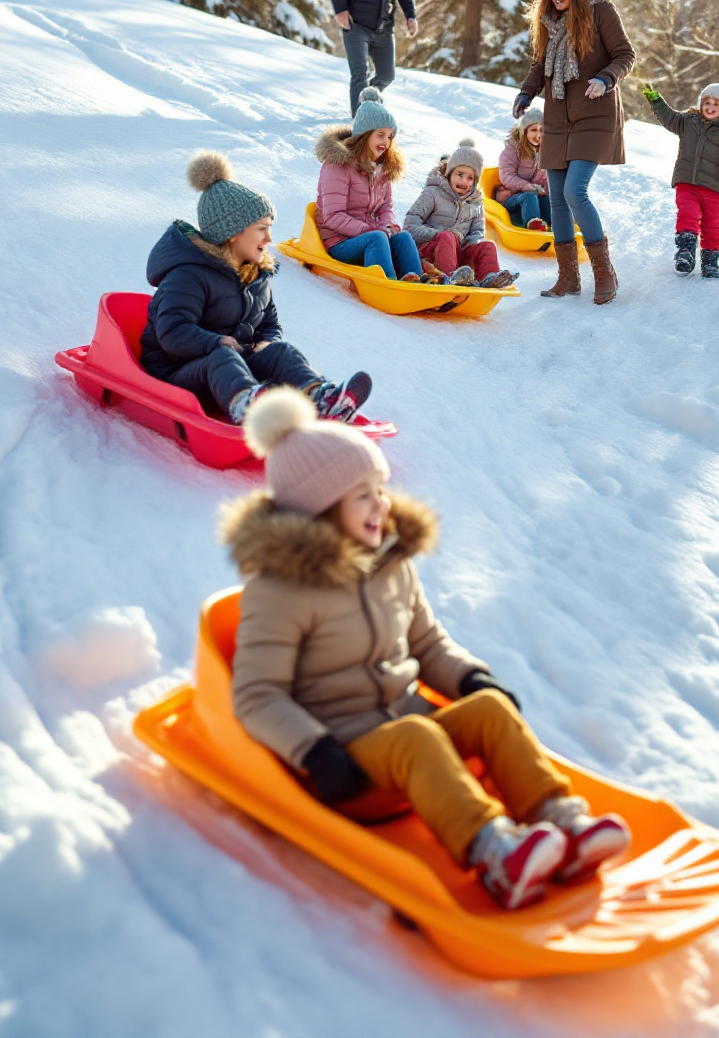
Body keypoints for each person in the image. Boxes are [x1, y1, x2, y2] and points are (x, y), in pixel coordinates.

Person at [226, 387, 632, 910]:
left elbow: (426, 642)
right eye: (363, 495)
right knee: (415, 733)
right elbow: (258, 695)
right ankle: (495, 853)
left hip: (417, 747)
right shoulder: (281, 590)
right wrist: (315, 751)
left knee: (485, 709)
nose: (383, 505)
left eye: (381, 488)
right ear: (320, 511)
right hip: (348, 764)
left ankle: (560, 821)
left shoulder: (392, 564)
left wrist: (469, 678)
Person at [141, 154, 371, 424]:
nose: (270, 238)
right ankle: (251, 408)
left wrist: (267, 342)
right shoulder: (188, 275)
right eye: (262, 229)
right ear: (234, 232)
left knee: (280, 352)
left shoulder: (255, 276)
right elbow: (172, 331)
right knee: (221, 355)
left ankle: (322, 399)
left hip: (234, 365)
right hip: (177, 371)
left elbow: (269, 322)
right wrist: (214, 341)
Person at [514, 0, 635, 304]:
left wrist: (605, 78)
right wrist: (525, 93)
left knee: (574, 191)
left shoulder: (602, 13)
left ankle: (604, 272)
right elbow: (539, 64)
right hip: (557, 118)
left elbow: (625, 55)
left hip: (594, 116)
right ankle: (568, 277)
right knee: (557, 201)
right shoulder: (548, 21)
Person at [314, 86, 424, 283]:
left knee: (403, 238)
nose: (386, 142)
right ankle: (387, 284)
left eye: (390, 136)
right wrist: (369, 230)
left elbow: (386, 207)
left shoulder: (381, 168)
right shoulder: (337, 166)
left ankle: (416, 281)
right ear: (365, 135)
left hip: (372, 238)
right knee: (377, 238)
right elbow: (333, 216)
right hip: (339, 241)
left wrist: (387, 226)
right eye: (380, 134)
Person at [642, 79, 719, 280]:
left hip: (714, 187)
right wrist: (657, 102)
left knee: (712, 224)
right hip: (687, 183)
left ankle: (710, 260)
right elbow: (670, 117)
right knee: (687, 214)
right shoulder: (689, 122)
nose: (710, 107)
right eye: (707, 103)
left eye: (716, 104)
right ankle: (686, 251)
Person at [403, 137, 518, 289]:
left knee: (487, 245)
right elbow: (410, 225)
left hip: (457, 254)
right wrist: (437, 234)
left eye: (470, 178)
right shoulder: (433, 193)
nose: (464, 181)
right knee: (447, 236)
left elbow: (476, 233)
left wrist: (471, 249)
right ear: (450, 173)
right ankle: (450, 278)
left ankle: (488, 278)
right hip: (430, 252)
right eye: (460, 174)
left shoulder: (476, 202)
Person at [495, 107, 551, 230]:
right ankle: (534, 226)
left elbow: (549, 179)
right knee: (528, 196)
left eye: (541, 130)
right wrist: (527, 187)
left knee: (548, 201)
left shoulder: (546, 152)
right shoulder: (513, 149)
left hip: (536, 197)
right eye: (534, 130)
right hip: (511, 198)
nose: (538, 135)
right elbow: (506, 176)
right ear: (524, 131)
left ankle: (559, 226)